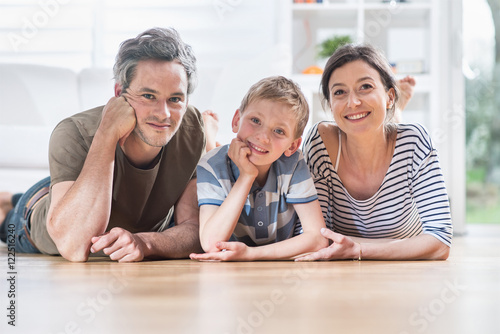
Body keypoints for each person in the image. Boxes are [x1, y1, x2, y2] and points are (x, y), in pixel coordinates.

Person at [0, 27, 215, 262]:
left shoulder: (193, 128)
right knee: (8, 219)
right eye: (148, 96)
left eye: (175, 99)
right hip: (41, 213)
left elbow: (194, 228)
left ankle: (11, 196)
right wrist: (107, 133)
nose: (163, 114)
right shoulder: (74, 132)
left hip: (104, 194)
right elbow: (74, 247)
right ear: (119, 93)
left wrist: (145, 242)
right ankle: (9, 203)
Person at [295, 44, 452, 261]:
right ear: (330, 106)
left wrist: (358, 250)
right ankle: (393, 114)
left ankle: (395, 114)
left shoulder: (415, 141)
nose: (353, 102)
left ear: (389, 96)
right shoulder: (320, 142)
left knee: (387, 130)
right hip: (387, 255)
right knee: (368, 122)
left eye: (365, 87)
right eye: (339, 92)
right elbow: (312, 237)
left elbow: (441, 241)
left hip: (402, 275)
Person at [189, 76, 328, 261]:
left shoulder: (293, 164)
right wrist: (246, 176)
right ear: (236, 120)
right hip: (231, 276)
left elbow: (318, 239)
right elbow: (210, 243)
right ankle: (208, 135)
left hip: (273, 269)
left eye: (279, 131)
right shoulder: (210, 166)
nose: (263, 137)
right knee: (211, 155)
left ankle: (210, 136)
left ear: (292, 146)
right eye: (255, 120)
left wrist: (251, 254)